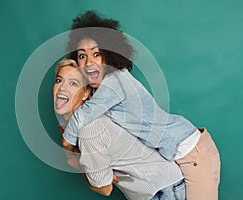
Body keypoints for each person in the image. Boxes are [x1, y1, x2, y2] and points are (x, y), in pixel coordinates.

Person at [61, 10, 221, 200]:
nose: (89, 62)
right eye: (81, 56)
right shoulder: (100, 91)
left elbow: (84, 115)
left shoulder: (115, 82)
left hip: (193, 152)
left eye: (97, 54)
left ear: (110, 54)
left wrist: (67, 141)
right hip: (177, 155)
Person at [53, 58, 186, 200]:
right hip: (161, 187)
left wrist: (76, 161)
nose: (62, 88)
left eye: (73, 83)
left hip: (163, 191)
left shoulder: (89, 129)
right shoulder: (79, 126)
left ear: (85, 94)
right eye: (59, 80)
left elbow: (104, 189)